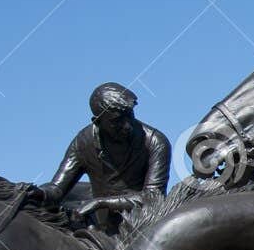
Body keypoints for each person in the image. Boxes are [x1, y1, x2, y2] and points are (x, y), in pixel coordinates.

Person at [35, 82, 170, 233]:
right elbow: (57, 189)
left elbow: (153, 198)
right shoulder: (83, 142)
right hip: (99, 228)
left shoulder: (155, 142)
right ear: (97, 122)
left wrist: (101, 203)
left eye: (129, 116)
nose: (127, 126)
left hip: (141, 229)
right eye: (117, 121)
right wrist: (36, 192)